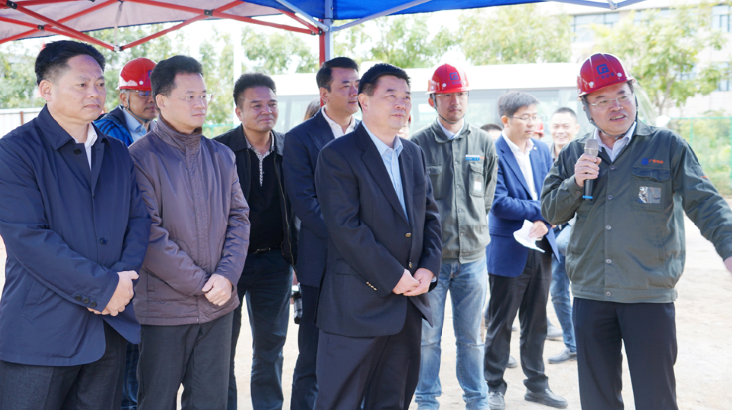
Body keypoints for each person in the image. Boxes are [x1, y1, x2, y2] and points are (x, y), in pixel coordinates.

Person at [541, 53, 732, 410]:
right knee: (597, 400)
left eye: (622, 95)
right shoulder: (574, 153)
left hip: (648, 295)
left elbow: (706, 202)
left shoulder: (668, 146)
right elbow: (550, 211)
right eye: (602, 100)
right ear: (587, 108)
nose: (616, 106)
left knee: (656, 398)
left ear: (634, 94)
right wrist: (575, 182)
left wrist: (729, 246)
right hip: (591, 294)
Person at [0, 40, 151, 410]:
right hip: (41, 333)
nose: (94, 93)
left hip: (108, 328)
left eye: (99, 84)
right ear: (46, 89)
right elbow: (28, 238)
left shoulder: (116, 152)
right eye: (81, 84)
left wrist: (122, 281)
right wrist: (105, 288)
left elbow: (138, 220)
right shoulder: (15, 152)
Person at [313, 63, 442, 410]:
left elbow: (430, 217)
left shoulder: (413, 153)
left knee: (393, 401)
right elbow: (345, 228)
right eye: (390, 95)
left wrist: (428, 268)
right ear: (364, 100)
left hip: (408, 305)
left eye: (406, 97)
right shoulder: (337, 155)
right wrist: (393, 275)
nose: (401, 103)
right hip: (356, 308)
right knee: (339, 402)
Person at [129, 55, 250, 410]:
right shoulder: (138, 158)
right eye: (189, 96)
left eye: (203, 95)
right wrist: (203, 284)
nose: (200, 104)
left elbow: (240, 219)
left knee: (211, 401)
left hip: (219, 307)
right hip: (164, 311)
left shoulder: (221, 155)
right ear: (162, 101)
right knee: (156, 401)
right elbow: (148, 234)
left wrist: (226, 276)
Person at [410, 63, 498, 410]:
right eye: (446, 95)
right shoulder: (417, 145)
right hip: (432, 262)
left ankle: (477, 401)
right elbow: (413, 205)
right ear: (432, 100)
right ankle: (427, 402)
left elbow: (486, 196)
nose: (455, 101)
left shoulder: (483, 142)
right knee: (427, 339)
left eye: (460, 94)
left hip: (474, 259)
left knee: (472, 339)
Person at [214, 73, 297, 410]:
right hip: (228, 265)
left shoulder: (291, 149)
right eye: (257, 105)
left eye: (272, 104)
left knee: (270, 348)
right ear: (239, 111)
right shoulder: (218, 150)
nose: (266, 111)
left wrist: (296, 258)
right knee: (222, 348)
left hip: (276, 262)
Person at [283, 56, 360, 410]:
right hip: (322, 262)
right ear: (324, 93)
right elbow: (304, 202)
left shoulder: (369, 133)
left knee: (359, 352)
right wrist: (352, 241)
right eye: (345, 85)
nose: (354, 91)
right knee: (313, 355)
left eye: (357, 84)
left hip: (366, 265)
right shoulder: (300, 138)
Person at [484, 92, 567, 410]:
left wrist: (547, 220)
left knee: (537, 322)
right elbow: (499, 203)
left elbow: (553, 192)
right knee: (501, 323)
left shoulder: (542, 150)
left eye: (535, 116)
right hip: (509, 248)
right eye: (525, 117)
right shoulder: (493, 151)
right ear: (506, 120)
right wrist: (543, 211)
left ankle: (537, 386)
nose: (533, 123)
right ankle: (494, 386)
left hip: (541, 245)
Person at [93, 56, 157, 410]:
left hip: (148, 250)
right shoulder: (106, 131)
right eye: (143, 93)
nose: (150, 100)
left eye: (154, 93)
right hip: (119, 253)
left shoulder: (155, 130)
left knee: (142, 345)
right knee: (123, 346)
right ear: (123, 96)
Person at [545, 107, 581, 365]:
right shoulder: (541, 155)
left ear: (576, 129)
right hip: (548, 235)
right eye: (556, 126)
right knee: (558, 293)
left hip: (576, 235)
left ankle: (587, 345)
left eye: (565, 126)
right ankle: (572, 344)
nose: (560, 131)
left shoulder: (586, 156)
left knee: (583, 293)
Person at [95, 58, 157, 148]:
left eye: (156, 93)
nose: (152, 99)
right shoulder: (102, 132)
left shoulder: (163, 131)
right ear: (124, 99)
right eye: (143, 93)